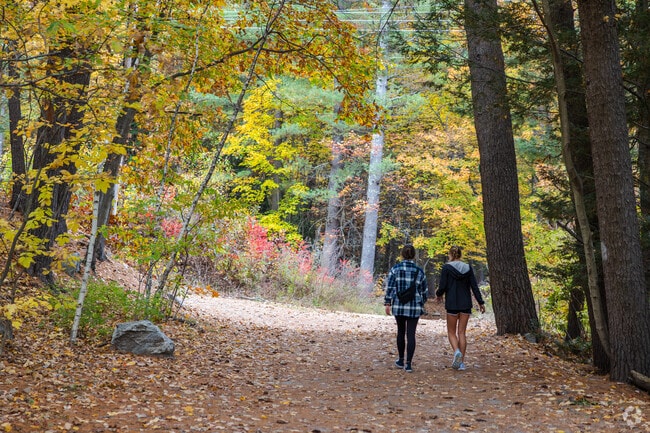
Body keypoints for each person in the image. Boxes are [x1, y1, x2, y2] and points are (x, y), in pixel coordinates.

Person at [435, 245, 485, 371]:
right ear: (460, 254)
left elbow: (443, 285)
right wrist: (480, 302)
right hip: (465, 304)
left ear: (450, 255)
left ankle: (456, 351)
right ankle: (461, 362)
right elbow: (474, 286)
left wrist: (439, 295)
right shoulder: (468, 268)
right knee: (461, 333)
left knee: (451, 332)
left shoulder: (446, 267)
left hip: (452, 303)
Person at [384, 244, 428, 372]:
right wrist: (421, 302)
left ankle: (400, 359)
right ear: (414, 255)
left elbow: (390, 288)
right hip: (414, 307)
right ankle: (408, 363)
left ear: (402, 254)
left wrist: (388, 303)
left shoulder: (395, 269)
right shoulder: (419, 271)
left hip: (399, 305)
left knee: (401, 332)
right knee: (411, 334)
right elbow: (424, 291)